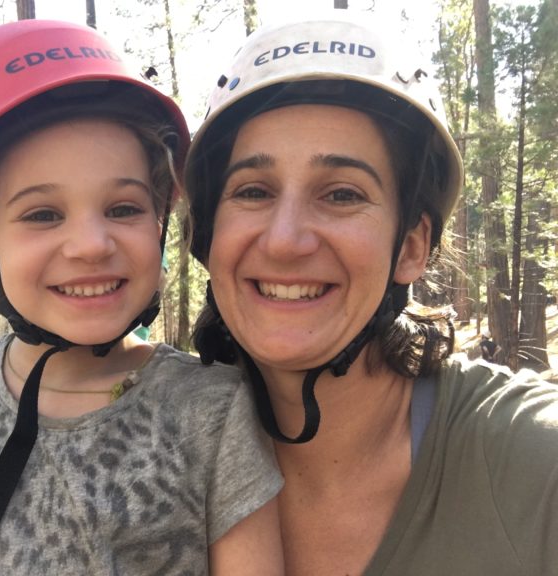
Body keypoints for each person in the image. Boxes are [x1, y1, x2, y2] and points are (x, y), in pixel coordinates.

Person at [0, 20, 283, 576]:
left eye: (123, 208)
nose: (91, 245)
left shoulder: (212, 411)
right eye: (43, 215)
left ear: (157, 223)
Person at [186, 11, 558, 576]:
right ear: (208, 237)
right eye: (253, 191)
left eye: (341, 194)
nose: (284, 240)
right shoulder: (152, 451)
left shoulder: (530, 463)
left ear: (410, 247)